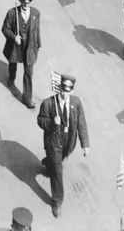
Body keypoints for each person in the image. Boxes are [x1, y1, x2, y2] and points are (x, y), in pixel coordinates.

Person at [37, 74, 89, 218]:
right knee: (58, 171)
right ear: (59, 87)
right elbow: (40, 121)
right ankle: (57, 200)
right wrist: (53, 122)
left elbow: (81, 123)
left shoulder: (76, 103)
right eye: (62, 89)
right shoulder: (48, 103)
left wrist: (85, 144)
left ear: (72, 91)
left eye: (67, 90)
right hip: (53, 141)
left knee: (57, 162)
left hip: (68, 141)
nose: (64, 93)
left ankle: (49, 163)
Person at [1, 0, 41, 108]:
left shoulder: (36, 14)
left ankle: (27, 98)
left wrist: (38, 43)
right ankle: (11, 78)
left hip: (29, 48)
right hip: (15, 47)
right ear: (20, 1)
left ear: (31, 2)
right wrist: (13, 37)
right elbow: (4, 29)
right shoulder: (12, 13)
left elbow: (37, 30)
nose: (26, 4)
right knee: (13, 65)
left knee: (28, 73)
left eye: (28, 2)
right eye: (24, 1)